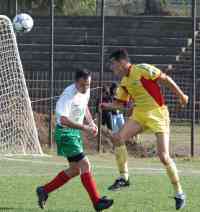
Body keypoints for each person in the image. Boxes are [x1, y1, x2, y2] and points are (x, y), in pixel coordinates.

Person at [101, 49, 188, 210]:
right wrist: (106, 106)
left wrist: (181, 95)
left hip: (158, 113)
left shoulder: (142, 68)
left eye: (112, 64)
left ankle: (179, 193)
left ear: (121, 62)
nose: (112, 68)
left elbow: (166, 79)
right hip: (140, 114)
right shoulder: (124, 82)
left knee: (163, 156)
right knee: (117, 138)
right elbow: (120, 104)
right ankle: (124, 178)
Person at [36, 69, 113, 211]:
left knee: (74, 170)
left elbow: (84, 107)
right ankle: (96, 202)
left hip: (74, 133)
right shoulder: (67, 95)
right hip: (65, 133)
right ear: (76, 82)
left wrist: (91, 123)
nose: (85, 88)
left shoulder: (86, 90)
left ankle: (44, 190)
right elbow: (64, 120)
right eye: (83, 85)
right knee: (85, 164)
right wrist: (85, 127)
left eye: (88, 85)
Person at [106, 83, 130, 191]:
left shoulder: (122, 95)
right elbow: (112, 105)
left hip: (119, 115)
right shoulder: (112, 97)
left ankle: (121, 146)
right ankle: (118, 147)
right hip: (113, 115)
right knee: (116, 136)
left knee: (121, 135)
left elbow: (124, 105)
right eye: (115, 89)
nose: (117, 90)